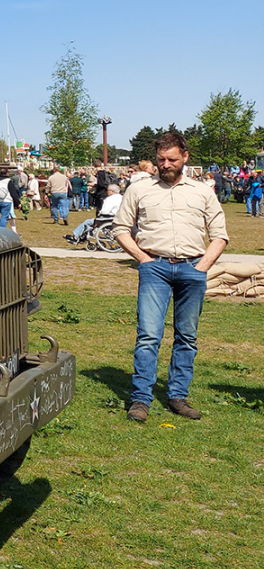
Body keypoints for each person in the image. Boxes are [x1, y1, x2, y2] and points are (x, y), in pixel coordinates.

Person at [113, 133, 229, 422]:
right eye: (161, 159)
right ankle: (141, 399)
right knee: (148, 336)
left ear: (185, 157)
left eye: (172, 159)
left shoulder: (202, 192)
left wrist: (202, 267)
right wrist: (143, 259)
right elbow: (120, 229)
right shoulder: (139, 190)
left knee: (186, 337)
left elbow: (220, 235)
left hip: (192, 270)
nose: (165, 164)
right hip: (155, 269)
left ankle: (178, 396)